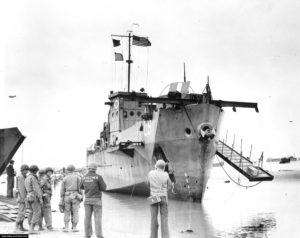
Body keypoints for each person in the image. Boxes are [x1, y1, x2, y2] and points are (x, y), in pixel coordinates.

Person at [148, 160, 173, 238]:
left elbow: (147, 184)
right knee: (164, 219)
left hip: (153, 197)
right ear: (164, 168)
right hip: (163, 197)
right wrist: (164, 190)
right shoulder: (165, 174)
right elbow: (170, 185)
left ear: (155, 166)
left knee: (153, 218)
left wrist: (153, 191)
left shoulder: (150, 173)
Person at [80, 162, 106, 238]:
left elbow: (81, 187)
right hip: (97, 200)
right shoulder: (98, 177)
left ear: (88, 168)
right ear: (95, 169)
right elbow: (104, 188)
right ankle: (99, 235)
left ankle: (87, 235)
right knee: (97, 218)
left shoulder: (84, 177)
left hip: (87, 200)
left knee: (87, 217)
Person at [60, 164, 82, 232]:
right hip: (75, 195)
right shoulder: (78, 177)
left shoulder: (65, 178)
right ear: (74, 170)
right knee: (75, 212)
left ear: (67, 170)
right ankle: (74, 227)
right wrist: (81, 197)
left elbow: (62, 190)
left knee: (66, 212)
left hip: (67, 196)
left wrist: (61, 199)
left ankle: (66, 227)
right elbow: (80, 188)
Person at [25, 165, 43, 234]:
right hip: (34, 196)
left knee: (31, 212)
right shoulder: (33, 177)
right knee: (37, 212)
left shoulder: (27, 177)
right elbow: (36, 189)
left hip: (28, 196)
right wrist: (40, 198)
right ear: (36, 171)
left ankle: (30, 226)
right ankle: (32, 229)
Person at [15, 164, 30, 231]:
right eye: (26, 170)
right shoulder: (21, 177)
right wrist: (24, 198)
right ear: (22, 170)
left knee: (23, 212)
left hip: (22, 197)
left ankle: (20, 226)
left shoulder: (23, 176)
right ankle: (17, 227)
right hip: (22, 197)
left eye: (27, 170)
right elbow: (21, 189)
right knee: (21, 212)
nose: (27, 171)